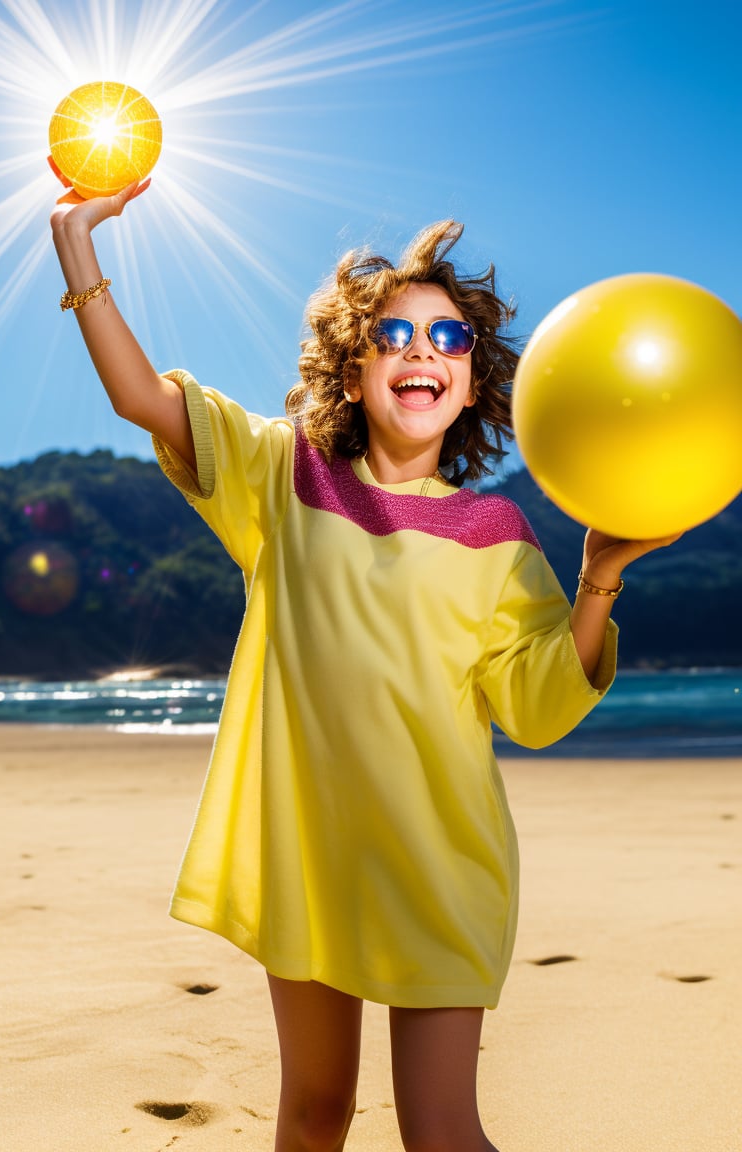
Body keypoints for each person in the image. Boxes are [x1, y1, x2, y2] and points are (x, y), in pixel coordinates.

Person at [50, 174, 676, 1152]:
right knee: (313, 1114)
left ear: (471, 384)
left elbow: (540, 704)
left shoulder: (500, 532)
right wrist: (74, 243)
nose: (422, 351)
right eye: (393, 336)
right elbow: (140, 396)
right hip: (312, 861)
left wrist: (596, 580)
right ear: (351, 373)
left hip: (442, 867)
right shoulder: (281, 473)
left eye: (449, 339)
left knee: (441, 1131)